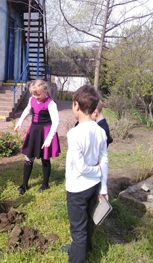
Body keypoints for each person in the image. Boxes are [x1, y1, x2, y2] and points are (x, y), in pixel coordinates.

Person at [64, 84, 108, 263]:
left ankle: (78, 256)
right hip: (94, 186)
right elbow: (104, 160)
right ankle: (82, 249)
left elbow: (81, 167)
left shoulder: (74, 133)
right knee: (88, 222)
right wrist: (102, 187)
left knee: (78, 229)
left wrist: (95, 170)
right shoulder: (101, 131)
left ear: (76, 105)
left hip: (77, 189)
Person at [14, 79, 61, 194]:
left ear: (45, 91)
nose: (36, 97)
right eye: (34, 94)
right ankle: (24, 185)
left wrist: (49, 138)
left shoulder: (51, 103)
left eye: (38, 94)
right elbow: (27, 110)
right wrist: (20, 122)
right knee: (28, 157)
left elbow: (56, 122)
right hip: (34, 131)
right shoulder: (32, 99)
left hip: (46, 132)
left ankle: (45, 185)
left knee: (45, 158)